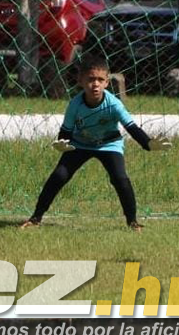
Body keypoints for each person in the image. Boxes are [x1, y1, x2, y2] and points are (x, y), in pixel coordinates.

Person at [20, 55, 169, 231]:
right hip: (80, 144)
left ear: (107, 83)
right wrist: (61, 143)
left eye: (100, 80)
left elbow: (131, 127)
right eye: (91, 79)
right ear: (81, 81)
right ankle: (35, 218)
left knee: (120, 179)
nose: (95, 84)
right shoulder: (75, 104)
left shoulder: (114, 104)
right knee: (59, 176)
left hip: (109, 145)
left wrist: (148, 143)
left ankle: (133, 222)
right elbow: (66, 131)